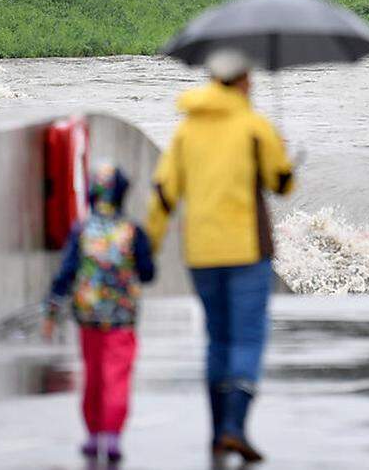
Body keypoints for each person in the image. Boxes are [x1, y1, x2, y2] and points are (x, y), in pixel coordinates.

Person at [147, 48, 295, 464]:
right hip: (248, 250)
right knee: (247, 336)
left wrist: (150, 246)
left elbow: (163, 193)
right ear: (244, 80)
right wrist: (282, 155)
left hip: (201, 252)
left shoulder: (185, 131)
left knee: (217, 339)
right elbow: (280, 183)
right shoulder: (255, 127)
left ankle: (218, 434)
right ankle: (234, 428)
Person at [43, 163, 156, 465]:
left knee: (92, 376)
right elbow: (147, 273)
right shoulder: (132, 231)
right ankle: (112, 435)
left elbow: (66, 273)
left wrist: (51, 309)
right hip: (122, 319)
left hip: (88, 317)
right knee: (116, 377)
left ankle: (93, 435)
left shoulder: (82, 231)